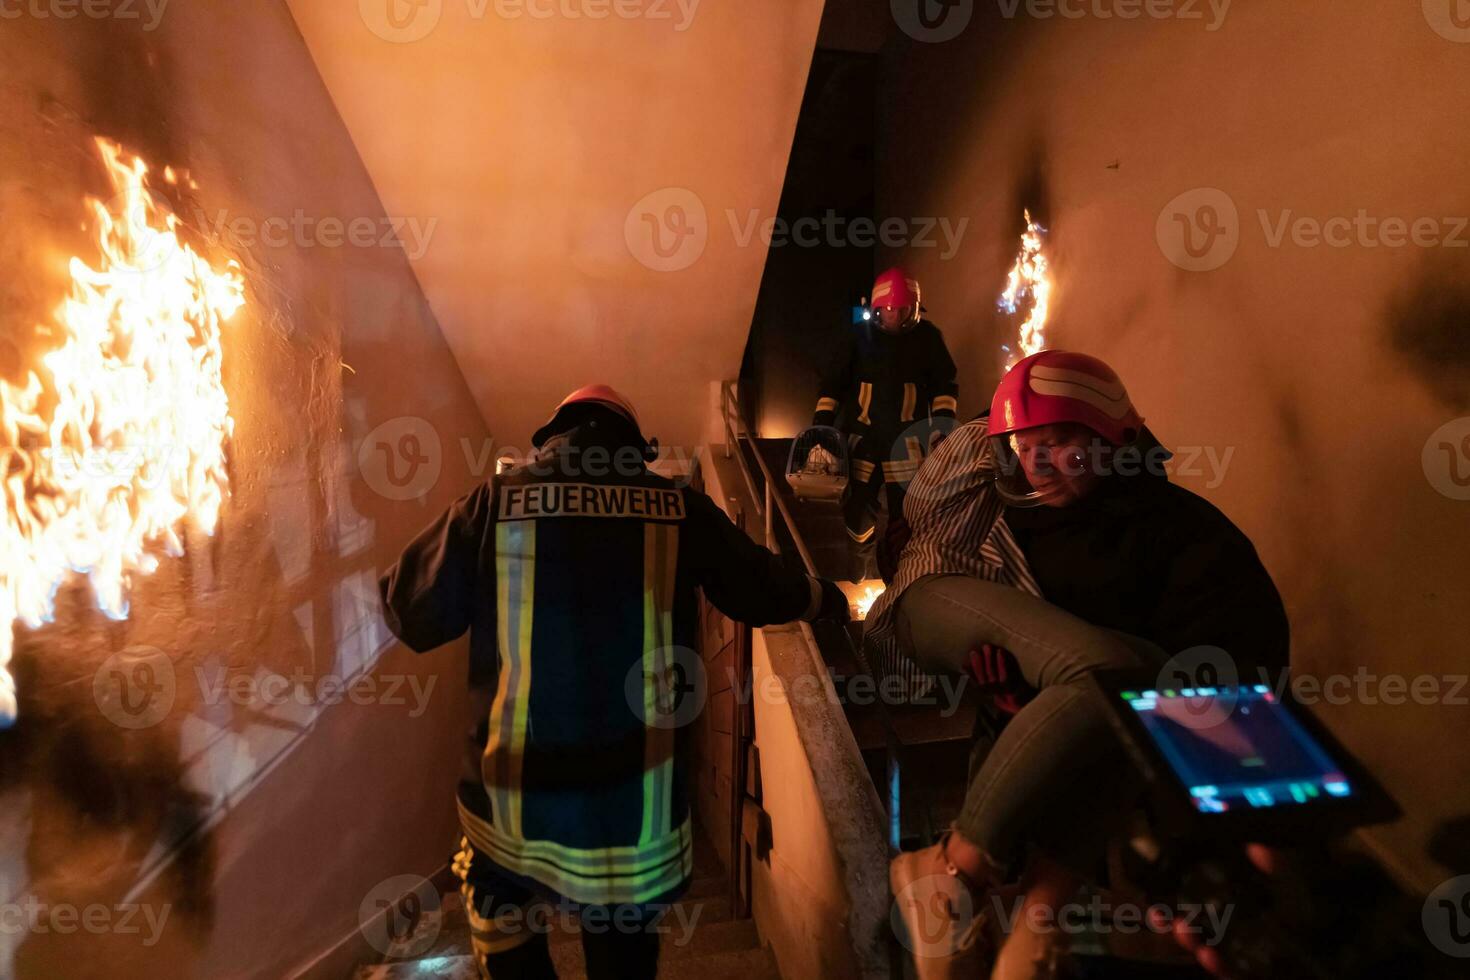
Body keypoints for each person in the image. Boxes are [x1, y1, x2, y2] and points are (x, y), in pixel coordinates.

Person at [379, 384, 850, 980]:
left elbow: (408, 610)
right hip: (633, 827)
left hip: (508, 818)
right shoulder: (678, 507)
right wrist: (826, 599)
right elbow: (761, 586)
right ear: (636, 446)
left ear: (553, 435)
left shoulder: (495, 502)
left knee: (510, 953)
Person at [871, 350, 1289, 979]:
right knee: (1123, 677)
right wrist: (1004, 693)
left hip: (1140, 771)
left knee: (1132, 690)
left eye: (1060, 440)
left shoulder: (1193, 540)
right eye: (1024, 444)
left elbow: (1236, 682)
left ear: (1113, 434)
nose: (1035, 461)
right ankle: (969, 879)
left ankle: (1029, 928)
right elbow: (930, 546)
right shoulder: (1004, 512)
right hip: (1044, 761)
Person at [812, 266, 959, 580]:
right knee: (857, 511)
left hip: (908, 442)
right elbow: (833, 384)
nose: (894, 316)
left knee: (907, 515)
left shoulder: (928, 338)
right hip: (862, 440)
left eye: (902, 309)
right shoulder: (858, 337)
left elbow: (944, 385)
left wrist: (944, 427)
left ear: (914, 309)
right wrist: (822, 425)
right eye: (888, 309)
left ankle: (901, 577)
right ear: (876, 309)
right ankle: (859, 567)